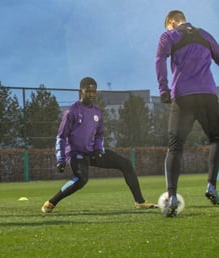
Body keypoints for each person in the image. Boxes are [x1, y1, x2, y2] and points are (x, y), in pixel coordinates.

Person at [41, 77, 157, 213]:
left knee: (125, 164)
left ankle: (140, 202)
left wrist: (98, 150)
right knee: (81, 179)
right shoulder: (71, 112)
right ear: (81, 91)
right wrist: (60, 159)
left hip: (92, 152)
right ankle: (51, 203)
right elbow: (61, 137)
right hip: (75, 154)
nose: (91, 94)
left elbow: (99, 135)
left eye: (94, 91)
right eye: (88, 91)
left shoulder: (97, 113)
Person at [155, 10, 219, 217]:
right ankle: (211, 185)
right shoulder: (205, 35)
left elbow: (159, 60)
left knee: (175, 147)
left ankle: (172, 196)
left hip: (183, 96)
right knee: (217, 139)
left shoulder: (169, 36)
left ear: (172, 22)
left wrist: (163, 89)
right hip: (208, 95)